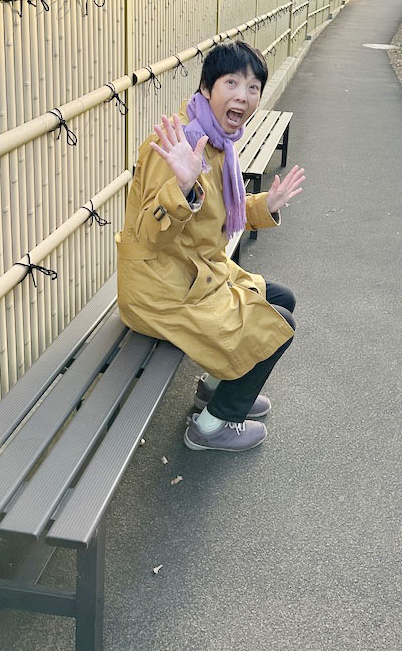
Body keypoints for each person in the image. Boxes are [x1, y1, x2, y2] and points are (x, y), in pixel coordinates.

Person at [116, 40, 305, 452]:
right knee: (280, 324)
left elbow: (218, 214)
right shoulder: (178, 144)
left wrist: (265, 205)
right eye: (231, 83)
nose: (243, 96)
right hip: (161, 289)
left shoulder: (219, 141)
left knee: (281, 298)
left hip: (194, 272)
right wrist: (182, 187)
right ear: (207, 88)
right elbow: (148, 235)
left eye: (253, 87)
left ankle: (216, 389)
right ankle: (213, 425)